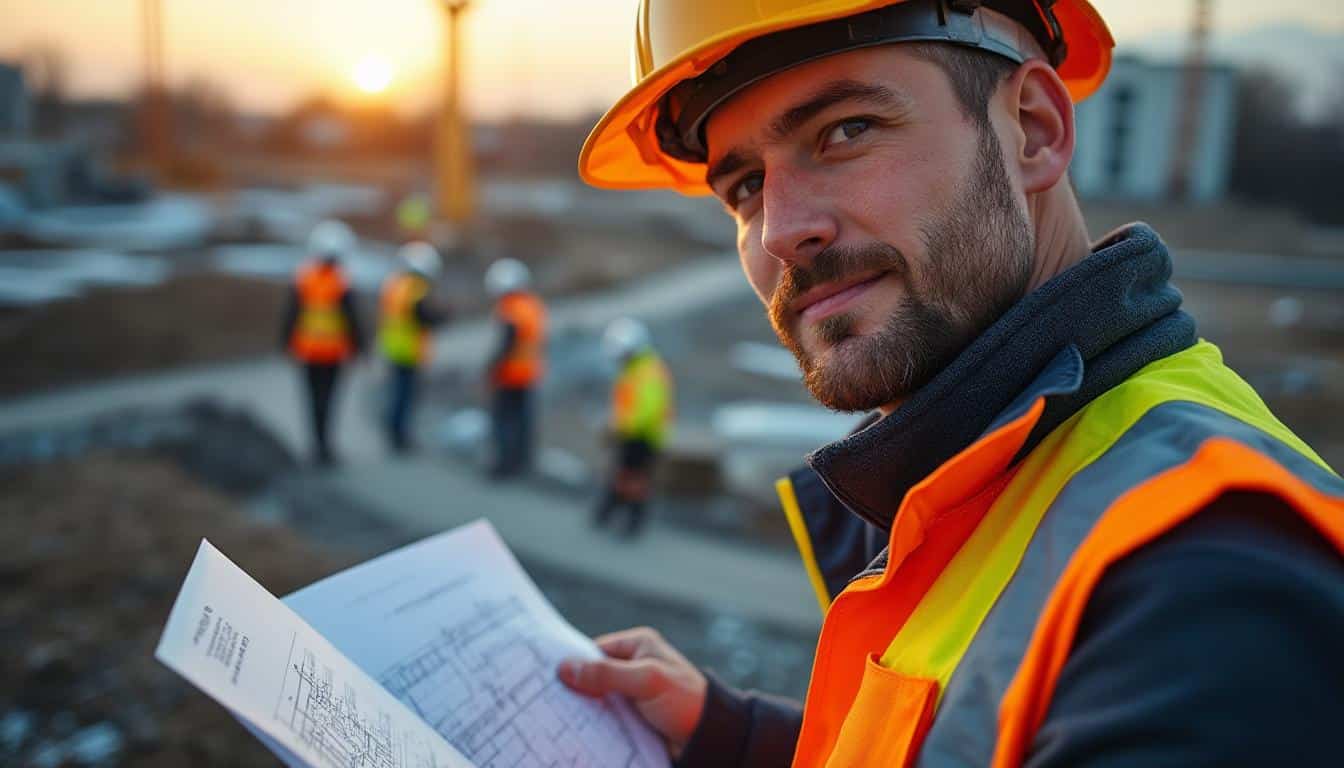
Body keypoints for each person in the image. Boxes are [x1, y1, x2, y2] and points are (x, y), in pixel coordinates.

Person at [556, 1, 1344, 766]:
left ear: (1033, 130)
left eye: (845, 131)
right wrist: (733, 738)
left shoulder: (1204, 585)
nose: (782, 231)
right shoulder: (982, 476)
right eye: (744, 188)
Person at [281, 219, 363, 466]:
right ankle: (325, 447)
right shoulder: (340, 282)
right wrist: (360, 346)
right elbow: (352, 318)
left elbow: (291, 314)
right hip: (332, 352)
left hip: (308, 351)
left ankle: (317, 446)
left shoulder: (304, 278)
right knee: (328, 400)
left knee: (313, 400)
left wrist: (285, 343)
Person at [594, 318, 674, 537]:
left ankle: (630, 521)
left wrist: (619, 427)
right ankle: (609, 514)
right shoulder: (635, 368)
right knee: (624, 475)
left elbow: (646, 410)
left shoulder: (648, 371)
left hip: (643, 437)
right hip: (633, 434)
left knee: (634, 480)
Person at [378, 241, 449, 453]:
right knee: (405, 394)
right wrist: (441, 316)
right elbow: (422, 315)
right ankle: (399, 435)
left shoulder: (394, 284)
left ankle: (394, 429)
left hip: (394, 346)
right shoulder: (415, 288)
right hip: (408, 348)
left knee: (397, 391)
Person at [484, 258, 546, 478]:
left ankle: (504, 463)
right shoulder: (532, 305)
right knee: (522, 420)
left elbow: (507, 342)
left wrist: (493, 366)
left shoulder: (510, 308)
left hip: (510, 373)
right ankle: (522, 461)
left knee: (504, 420)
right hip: (528, 372)